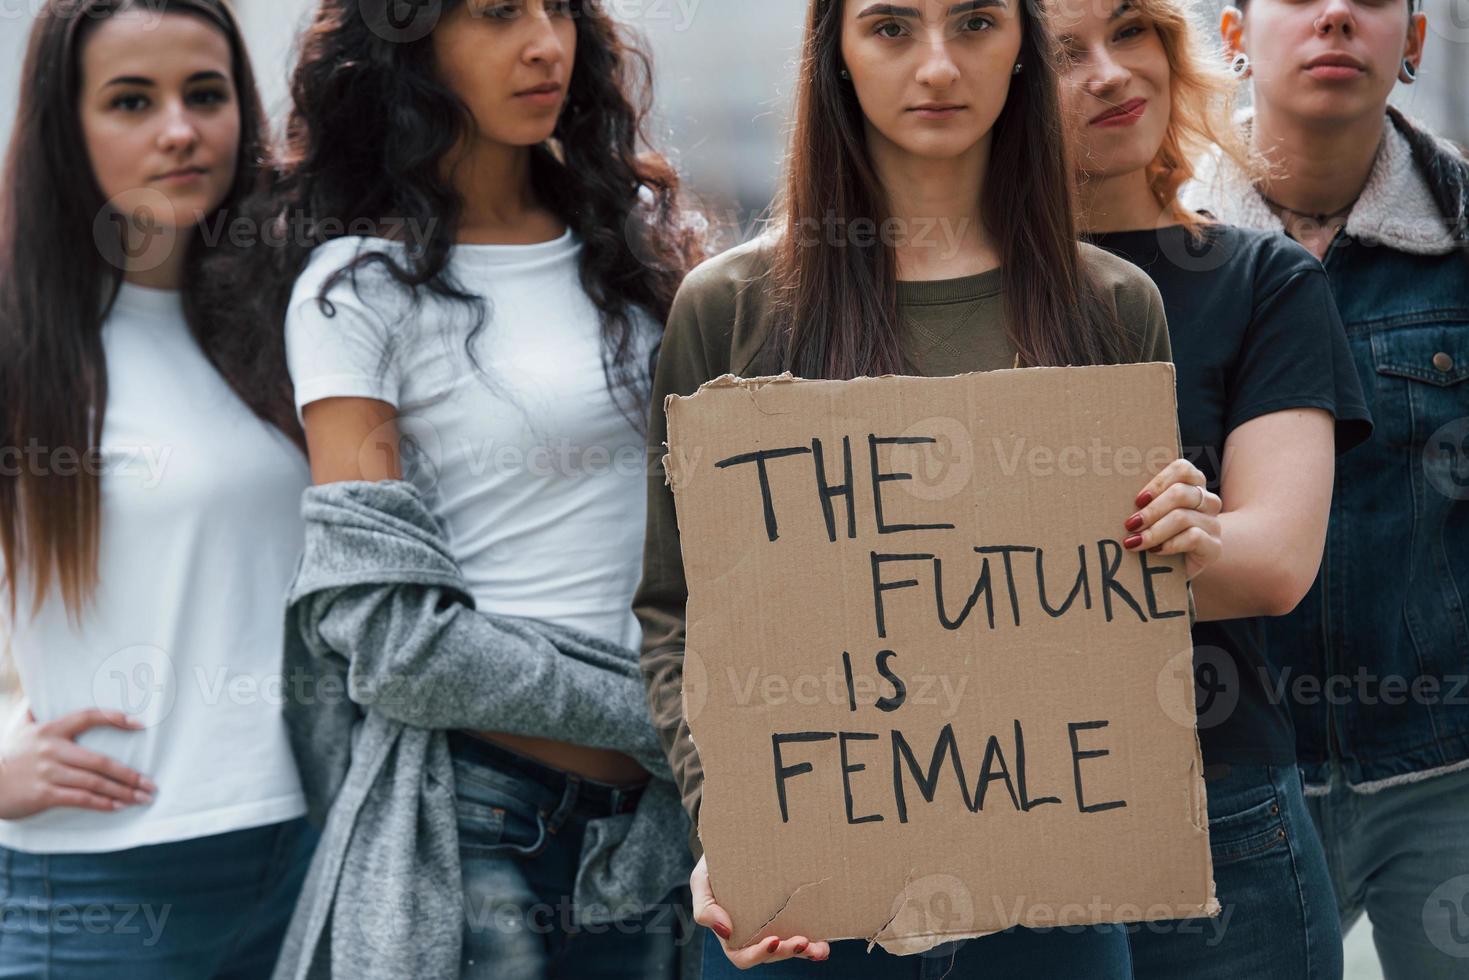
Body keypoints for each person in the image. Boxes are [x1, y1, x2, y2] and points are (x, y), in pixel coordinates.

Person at [635, 0, 1227, 974]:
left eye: (976, 23)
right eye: (892, 27)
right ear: (836, 54)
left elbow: (1121, 625)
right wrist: (731, 828)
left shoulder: (1115, 308)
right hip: (803, 912)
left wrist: (1183, 537)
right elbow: (672, 611)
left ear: (1020, 51)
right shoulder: (728, 309)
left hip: (1053, 918)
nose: (938, 66)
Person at [266, 1, 706, 977]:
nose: (543, 44)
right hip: (487, 821)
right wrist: (670, 715)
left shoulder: (634, 246)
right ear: (409, 45)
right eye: (497, 15)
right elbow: (394, 643)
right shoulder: (358, 290)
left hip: (662, 829)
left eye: (556, 8)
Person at [1053, 0, 1374, 974]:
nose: (1109, 72)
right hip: (993, 805)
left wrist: (1201, 541)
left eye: (1128, 32)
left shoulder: (1262, 280)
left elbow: (1268, 565)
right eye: (1062, 54)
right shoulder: (944, 283)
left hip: (1215, 807)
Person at [0, 1, 316, 977]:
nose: (179, 129)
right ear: (66, 125)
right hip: (95, 889)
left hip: (303, 863)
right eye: (132, 100)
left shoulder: (296, 319)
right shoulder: (21, 349)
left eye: (206, 94)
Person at [1184, 0, 1469, 974]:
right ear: (1230, 34)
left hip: (1444, 774)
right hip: (1231, 780)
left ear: (1415, 45)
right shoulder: (1160, 246)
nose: (1337, 16)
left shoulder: (1457, 235)